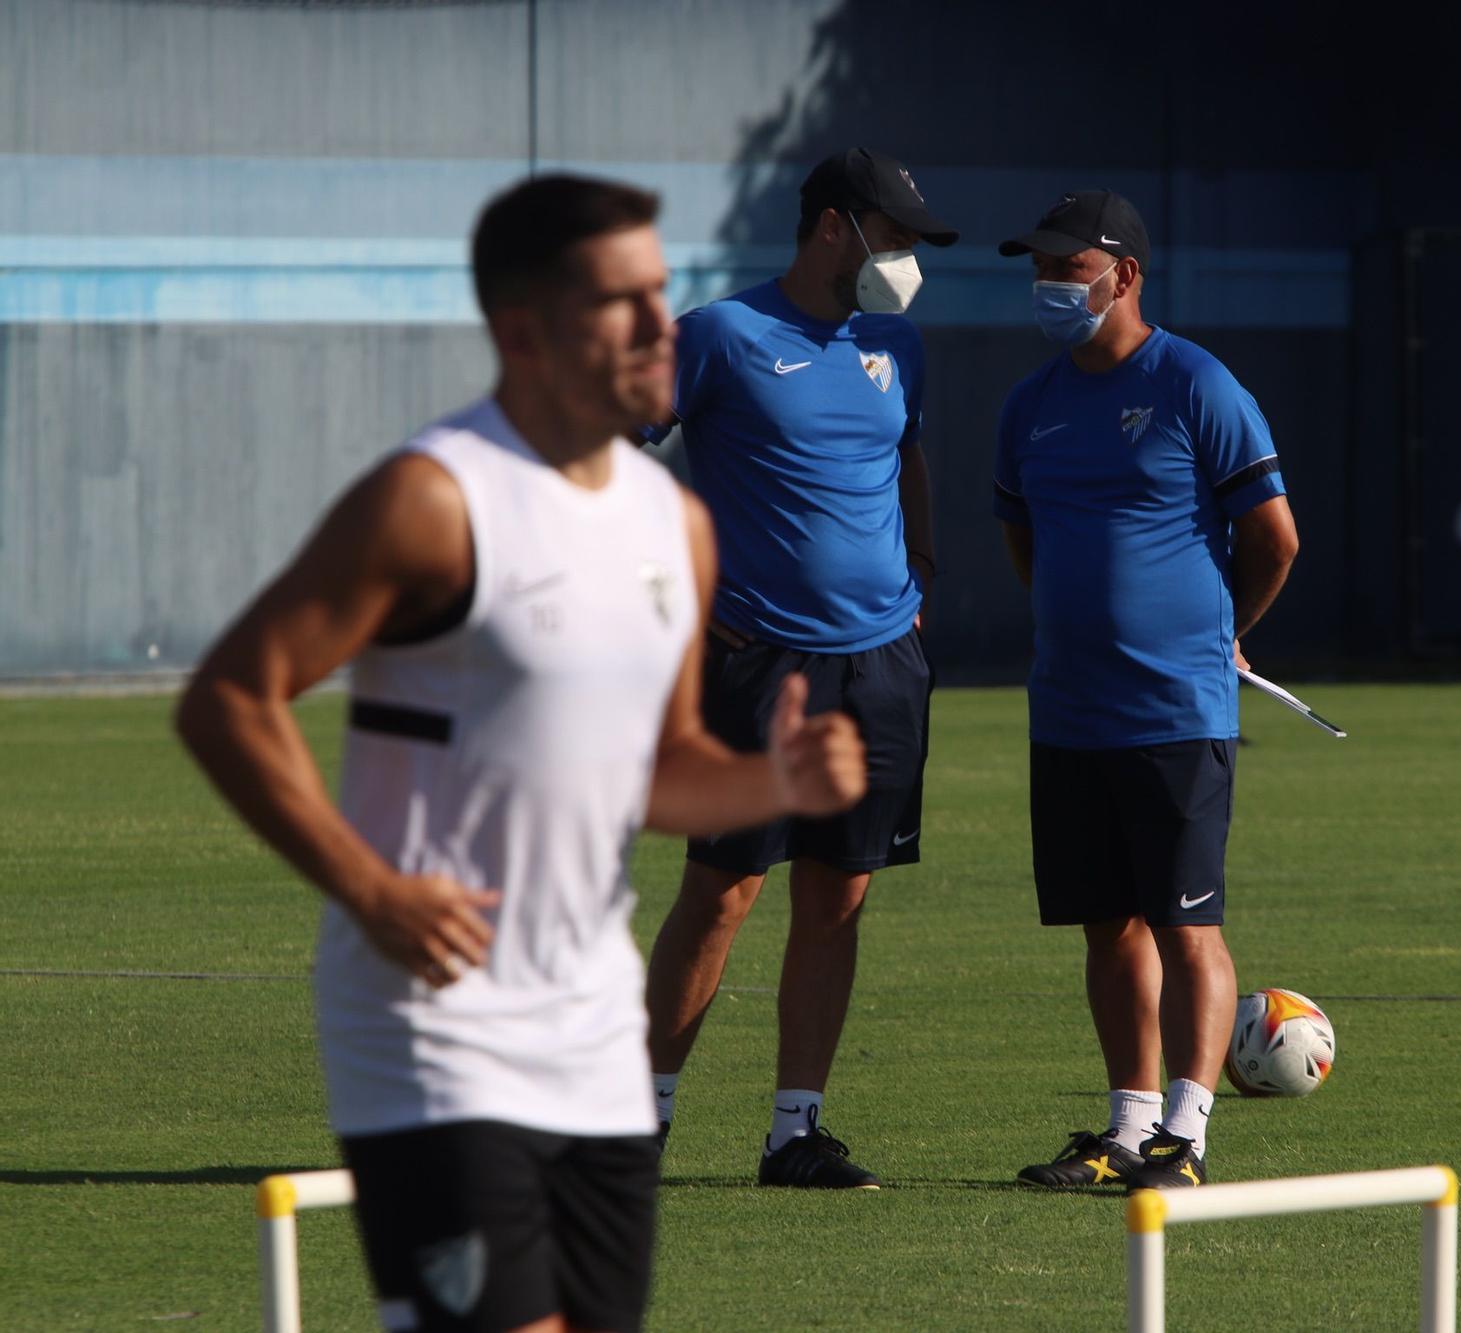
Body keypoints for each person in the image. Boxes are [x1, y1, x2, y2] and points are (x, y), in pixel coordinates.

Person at [175, 173, 866, 1333]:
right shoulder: (434, 499)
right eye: (621, 300)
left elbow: (657, 765)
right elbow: (231, 698)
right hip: (434, 1023)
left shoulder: (672, 523)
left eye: (661, 290)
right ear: (523, 328)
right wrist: (371, 889)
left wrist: (772, 783)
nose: (661, 323)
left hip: (594, 1031)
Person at [636, 148, 956, 1189]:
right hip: (758, 664)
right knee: (721, 893)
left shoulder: (895, 343)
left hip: (882, 665)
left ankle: (795, 1132)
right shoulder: (719, 336)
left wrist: (915, 592)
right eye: (896, 237)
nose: (905, 260)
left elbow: (905, 464)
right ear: (834, 227)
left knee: (838, 893)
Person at [992, 190, 1300, 1192]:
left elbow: (1273, 537)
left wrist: (1222, 636)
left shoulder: (1195, 384)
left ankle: (1185, 1133)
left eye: (1065, 267)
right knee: (1106, 924)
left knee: (1184, 924)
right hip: (1068, 710)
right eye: (1038, 268)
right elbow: (1022, 536)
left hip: (1174, 711)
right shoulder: (1029, 403)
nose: (1047, 284)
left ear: (1122, 275)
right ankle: (1124, 1132)